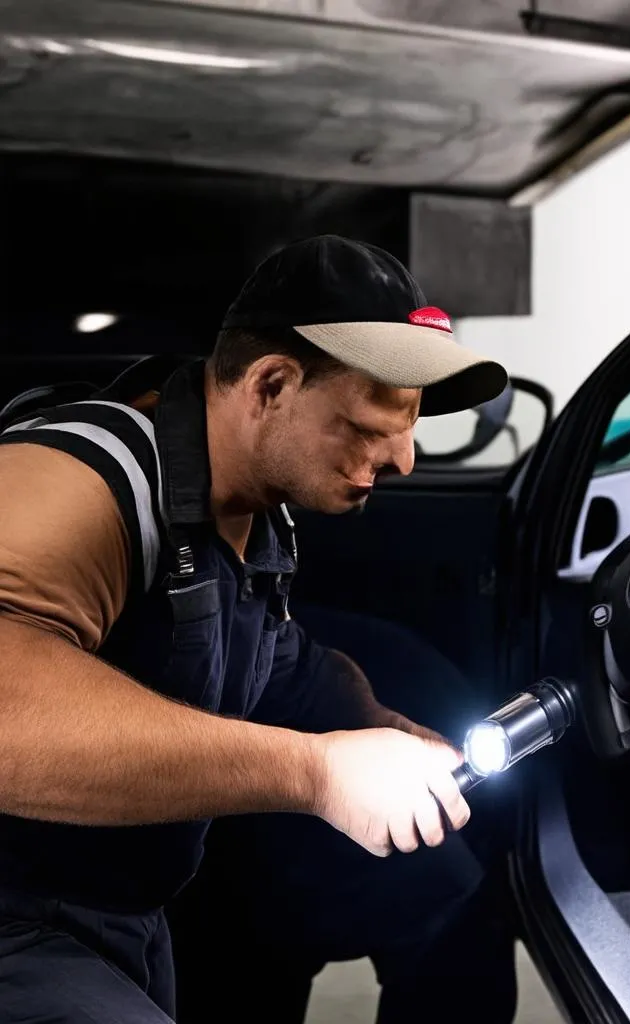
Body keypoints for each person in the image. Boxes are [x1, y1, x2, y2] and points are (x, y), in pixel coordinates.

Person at [0, 235, 516, 1022]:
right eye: (373, 423)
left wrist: (376, 727)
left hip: (124, 913)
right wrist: (318, 773)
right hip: (16, 920)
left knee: (437, 885)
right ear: (271, 383)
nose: (404, 459)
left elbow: (271, 661)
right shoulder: (81, 477)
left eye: (411, 426)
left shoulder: (252, 519)